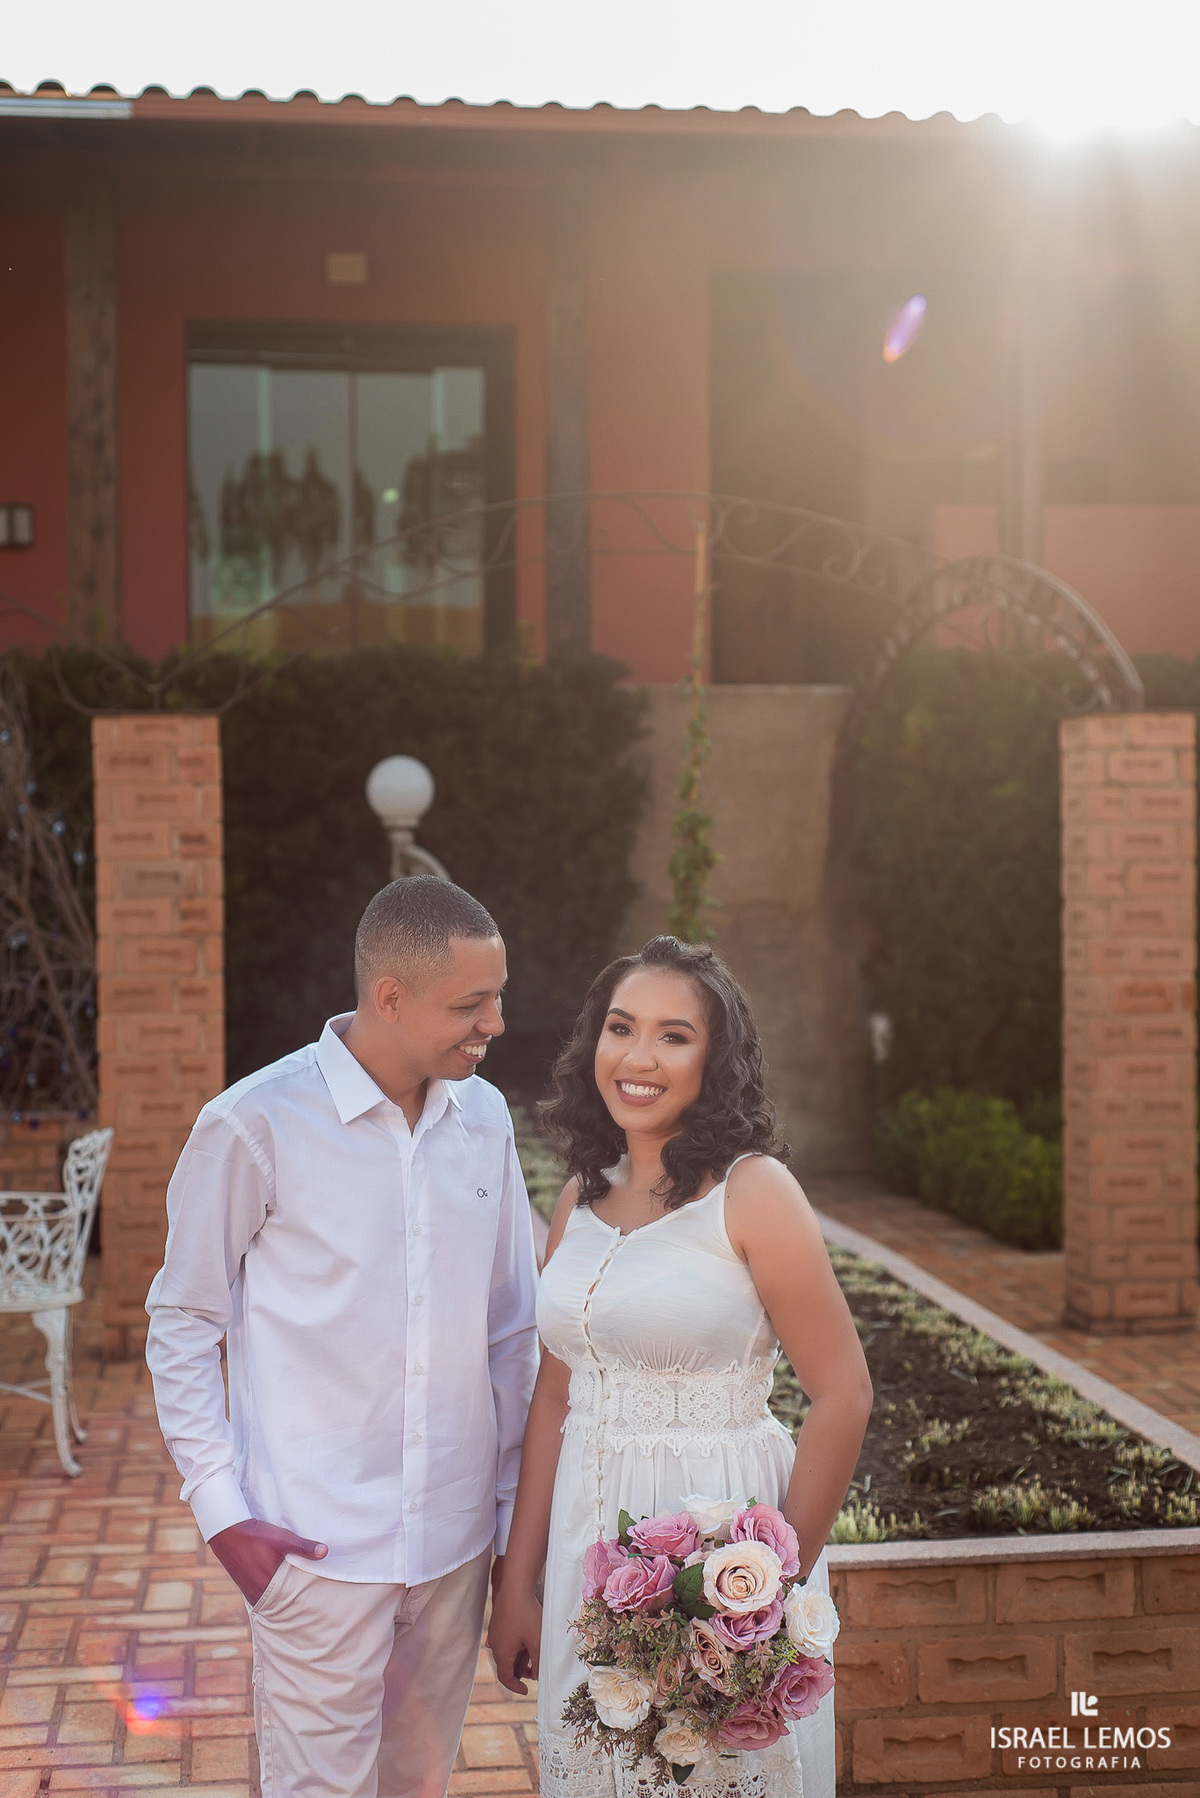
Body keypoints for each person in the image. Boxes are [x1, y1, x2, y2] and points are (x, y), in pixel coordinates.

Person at [145, 875, 540, 1798]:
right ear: (390, 997)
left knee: (418, 1788)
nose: (496, 1024)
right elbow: (183, 1318)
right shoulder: (252, 1125)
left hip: (453, 1556)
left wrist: (512, 1526)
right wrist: (222, 1513)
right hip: (313, 1559)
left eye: (499, 997)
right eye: (471, 1004)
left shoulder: (485, 1120)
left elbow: (513, 1329)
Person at [486, 934, 873, 1798]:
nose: (639, 1057)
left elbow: (843, 1393)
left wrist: (762, 1599)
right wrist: (518, 1583)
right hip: (589, 1550)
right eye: (622, 1028)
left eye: (674, 1035)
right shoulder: (577, 1198)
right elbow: (555, 1393)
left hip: (720, 1540)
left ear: (715, 1058)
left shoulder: (754, 1191)